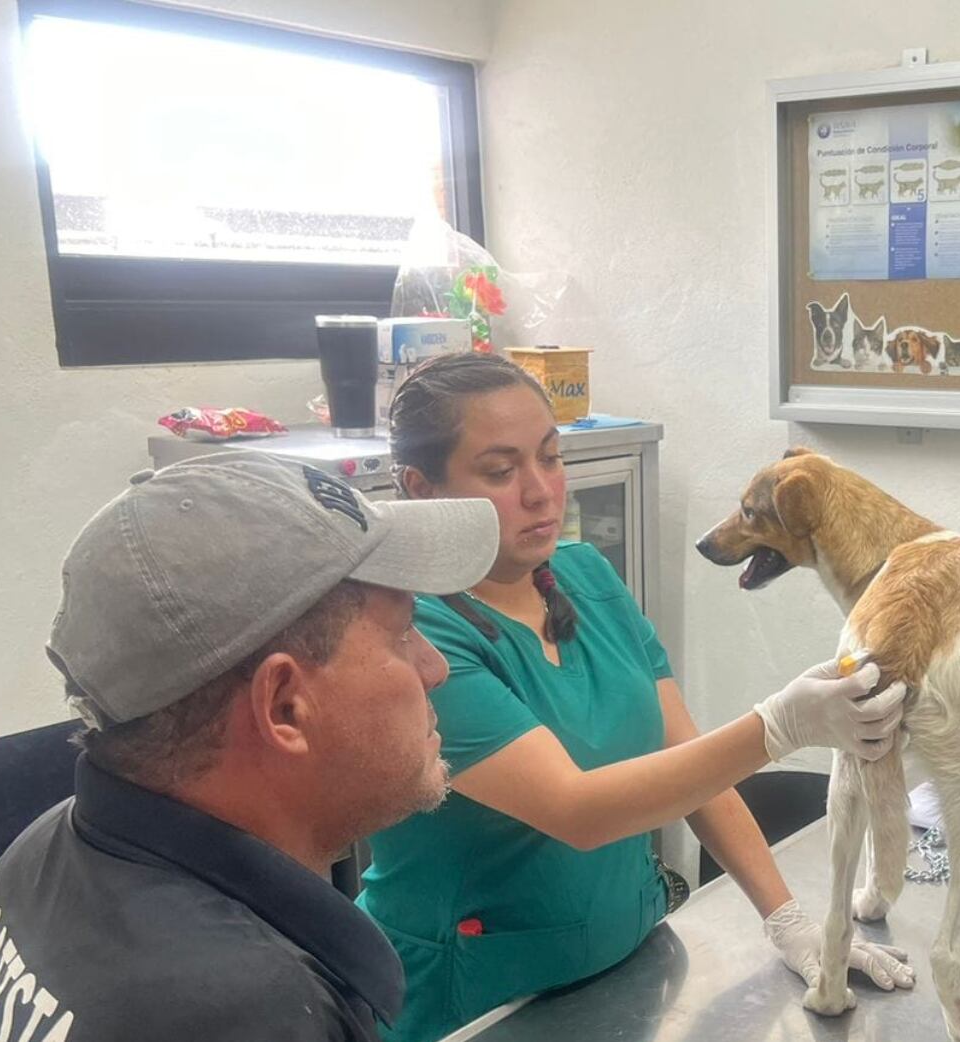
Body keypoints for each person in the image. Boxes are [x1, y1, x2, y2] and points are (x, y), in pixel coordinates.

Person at [358, 353, 912, 1042]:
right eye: (500, 472)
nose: (540, 491)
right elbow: (577, 810)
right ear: (422, 487)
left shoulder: (586, 577)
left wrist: (790, 921)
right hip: (474, 1003)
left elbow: (693, 769)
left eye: (552, 458)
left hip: (626, 971)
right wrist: (780, 726)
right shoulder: (414, 635)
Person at [0, 453, 503, 1042]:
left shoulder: (44, 850)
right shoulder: (249, 1013)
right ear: (285, 706)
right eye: (403, 632)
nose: (434, 668)